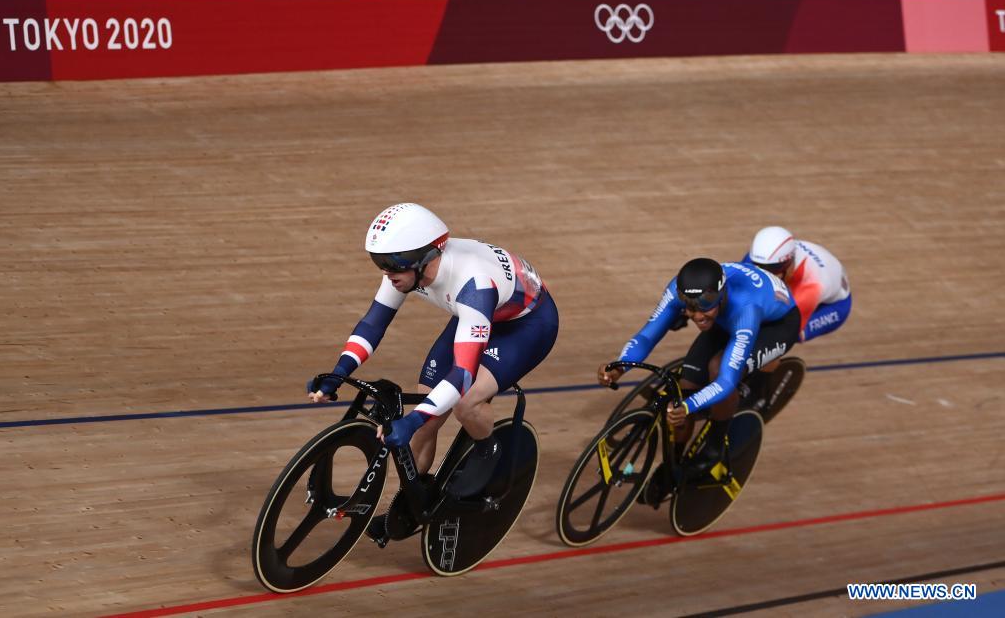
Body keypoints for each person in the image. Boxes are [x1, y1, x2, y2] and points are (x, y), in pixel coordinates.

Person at [307, 203, 558, 506]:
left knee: (465, 402)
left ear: (423, 259)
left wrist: (412, 420)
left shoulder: (473, 285)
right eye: (379, 262)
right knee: (426, 416)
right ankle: (411, 507)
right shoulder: (406, 270)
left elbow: (463, 375)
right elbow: (373, 324)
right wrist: (339, 372)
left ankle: (487, 448)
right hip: (478, 314)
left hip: (526, 326)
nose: (386, 272)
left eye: (391, 263)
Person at [597, 258, 800, 504]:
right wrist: (620, 367)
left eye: (704, 306)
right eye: (689, 307)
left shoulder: (746, 307)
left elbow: (725, 381)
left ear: (721, 293)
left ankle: (714, 446)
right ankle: (674, 464)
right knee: (686, 385)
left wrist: (689, 407)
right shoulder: (680, 291)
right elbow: (647, 336)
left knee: (718, 368)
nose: (696, 315)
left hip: (776, 325)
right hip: (725, 317)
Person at [746, 226, 851, 342]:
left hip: (835, 306)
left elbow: (779, 331)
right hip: (817, 273)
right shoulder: (761, 257)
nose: (764, 273)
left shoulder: (811, 288)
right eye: (758, 266)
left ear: (790, 263)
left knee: (786, 335)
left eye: (773, 269)